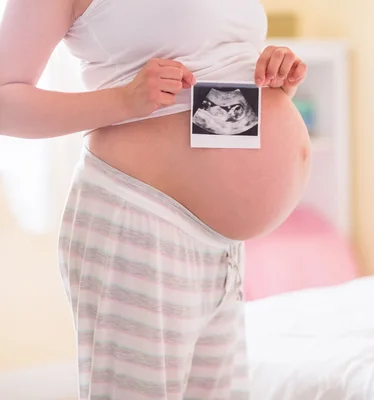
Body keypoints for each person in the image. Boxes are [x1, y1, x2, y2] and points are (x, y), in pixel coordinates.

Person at [0, 0, 311, 398]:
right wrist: (123, 101)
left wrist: (275, 80)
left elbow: (213, 67)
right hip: (140, 222)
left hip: (221, 248)